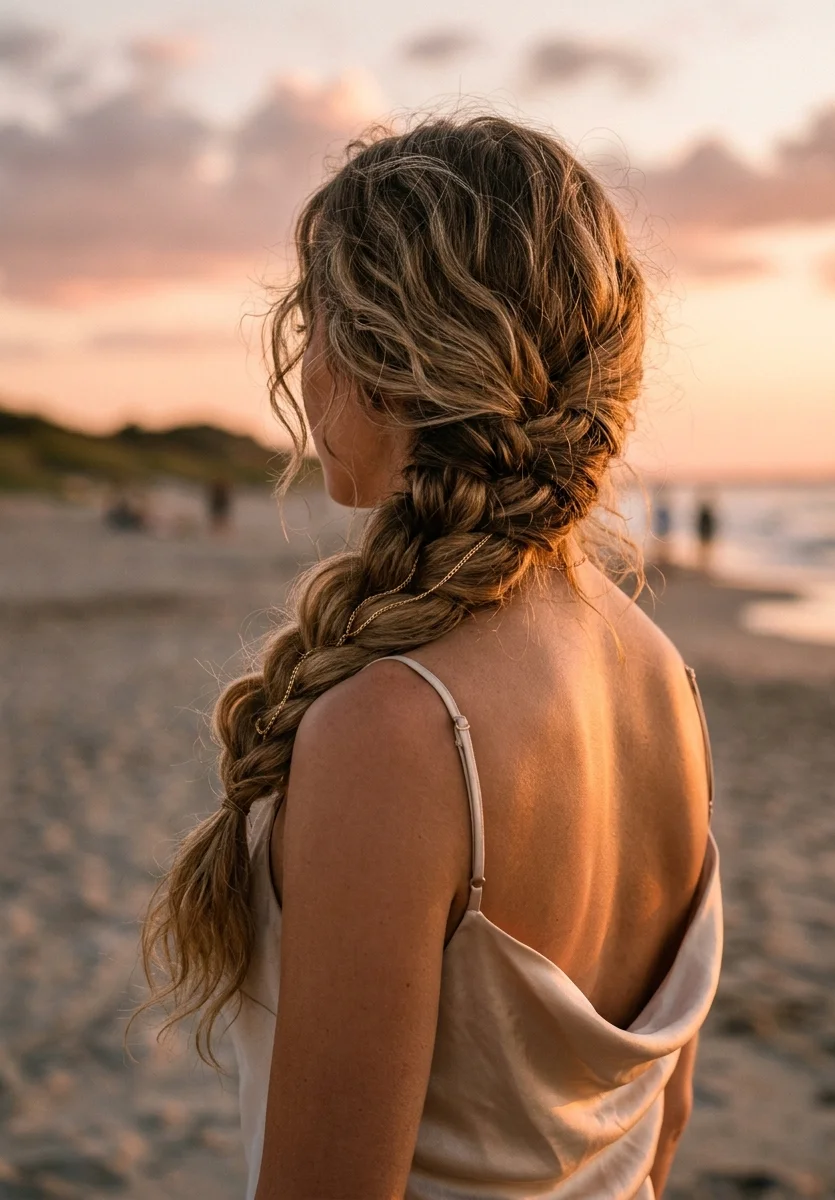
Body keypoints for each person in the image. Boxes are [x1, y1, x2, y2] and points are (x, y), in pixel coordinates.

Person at [135, 114, 722, 1199]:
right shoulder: (662, 681)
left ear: (391, 359)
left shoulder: (395, 730)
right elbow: (659, 1123)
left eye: (315, 323)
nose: (304, 372)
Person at [695, 493, 719, 576]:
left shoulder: (704, 515)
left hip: (704, 535)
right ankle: (704, 566)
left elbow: (700, 525)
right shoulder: (707, 515)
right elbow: (710, 526)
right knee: (705, 551)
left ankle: (704, 566)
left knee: (704, 551)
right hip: (705, 535)